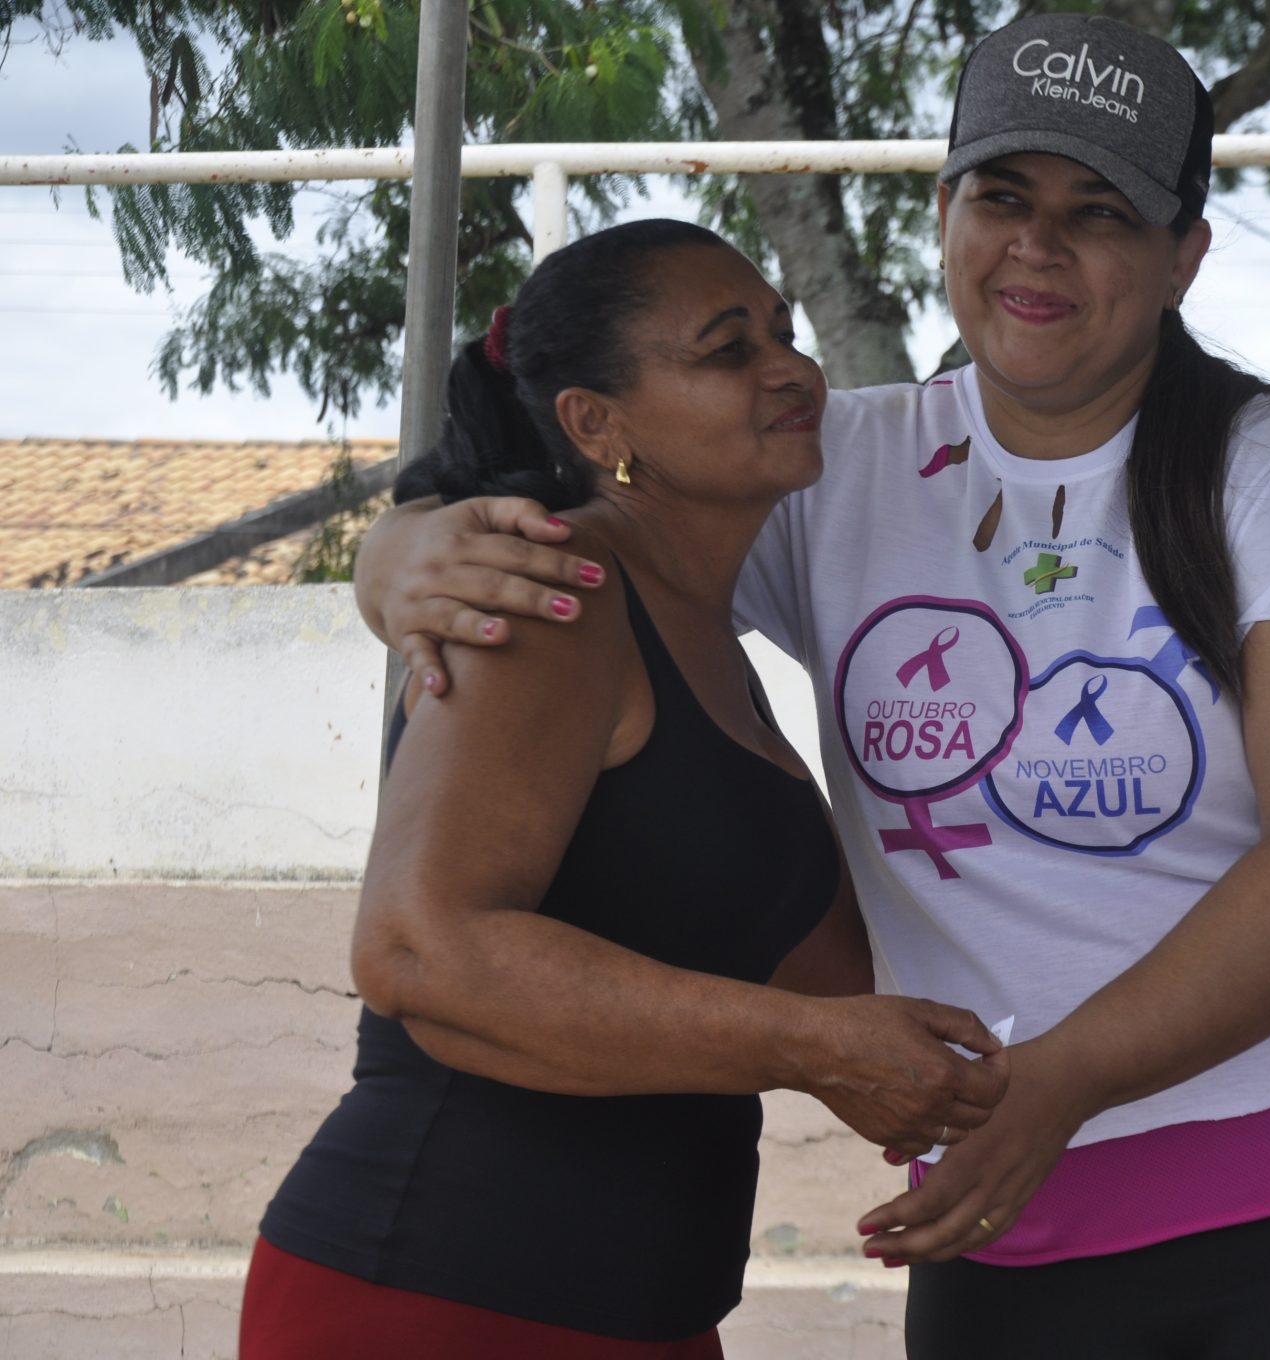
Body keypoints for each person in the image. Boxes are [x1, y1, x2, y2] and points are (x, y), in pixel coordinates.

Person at [351, 15, 1270, 1356]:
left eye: (1099, 213)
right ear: (943, 217)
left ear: (1183, 257)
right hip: (1012, 1220)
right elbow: (595, 532)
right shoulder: (830, 466)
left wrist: (1063, 1080)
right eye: (1001, 197)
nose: (1037, 246)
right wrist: (396, 551)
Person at [240, 219, 1008, 1360]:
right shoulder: (552, 596)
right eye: (727, 349)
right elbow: (417, 949)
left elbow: (815, 977)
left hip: (644, 1311)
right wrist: (814, 1047)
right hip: (442, 1300)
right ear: (597, 424)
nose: (790, 369)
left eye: (784, 333)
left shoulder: (708, 634)